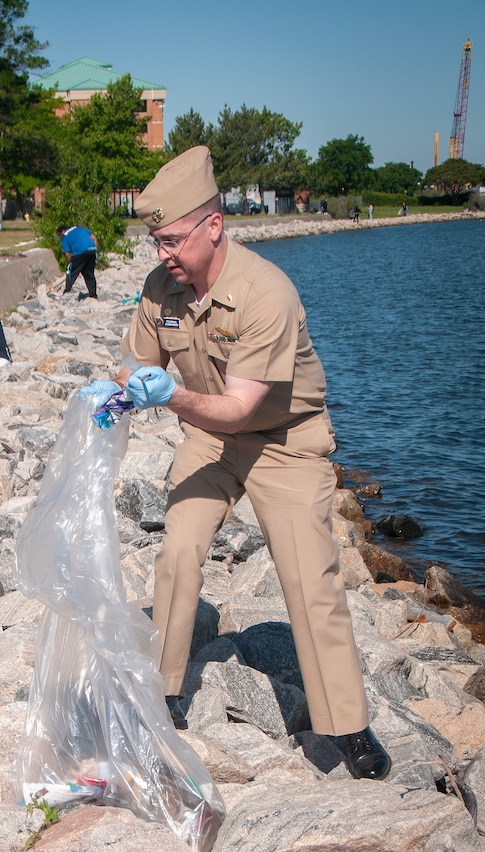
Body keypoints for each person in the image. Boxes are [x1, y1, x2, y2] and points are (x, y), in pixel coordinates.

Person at [85, 146, 391, 781]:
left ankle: (348, 725)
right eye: (155, 240)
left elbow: (240, 407)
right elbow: (134, 358)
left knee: (311, 578)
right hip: (209, 437)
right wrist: (122, 389)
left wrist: (169, 395)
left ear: (213, 227)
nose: (161, 253)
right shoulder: (161, 287)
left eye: (171, 239)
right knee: (179, 548)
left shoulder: (265, 293)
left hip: (284, 438)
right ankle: (166, 693)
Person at [57, 225, 98, 299]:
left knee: (71, 272)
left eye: (59, 236)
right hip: (92, 250)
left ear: (62, 231)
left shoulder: (65, 237)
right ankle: (93, 294)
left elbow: (67, 254)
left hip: (80, 252)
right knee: (89, 274)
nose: (60, 238)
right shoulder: (79, 228)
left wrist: (70, 263)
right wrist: (95, 251)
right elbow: (94, 237)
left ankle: (67, 291)